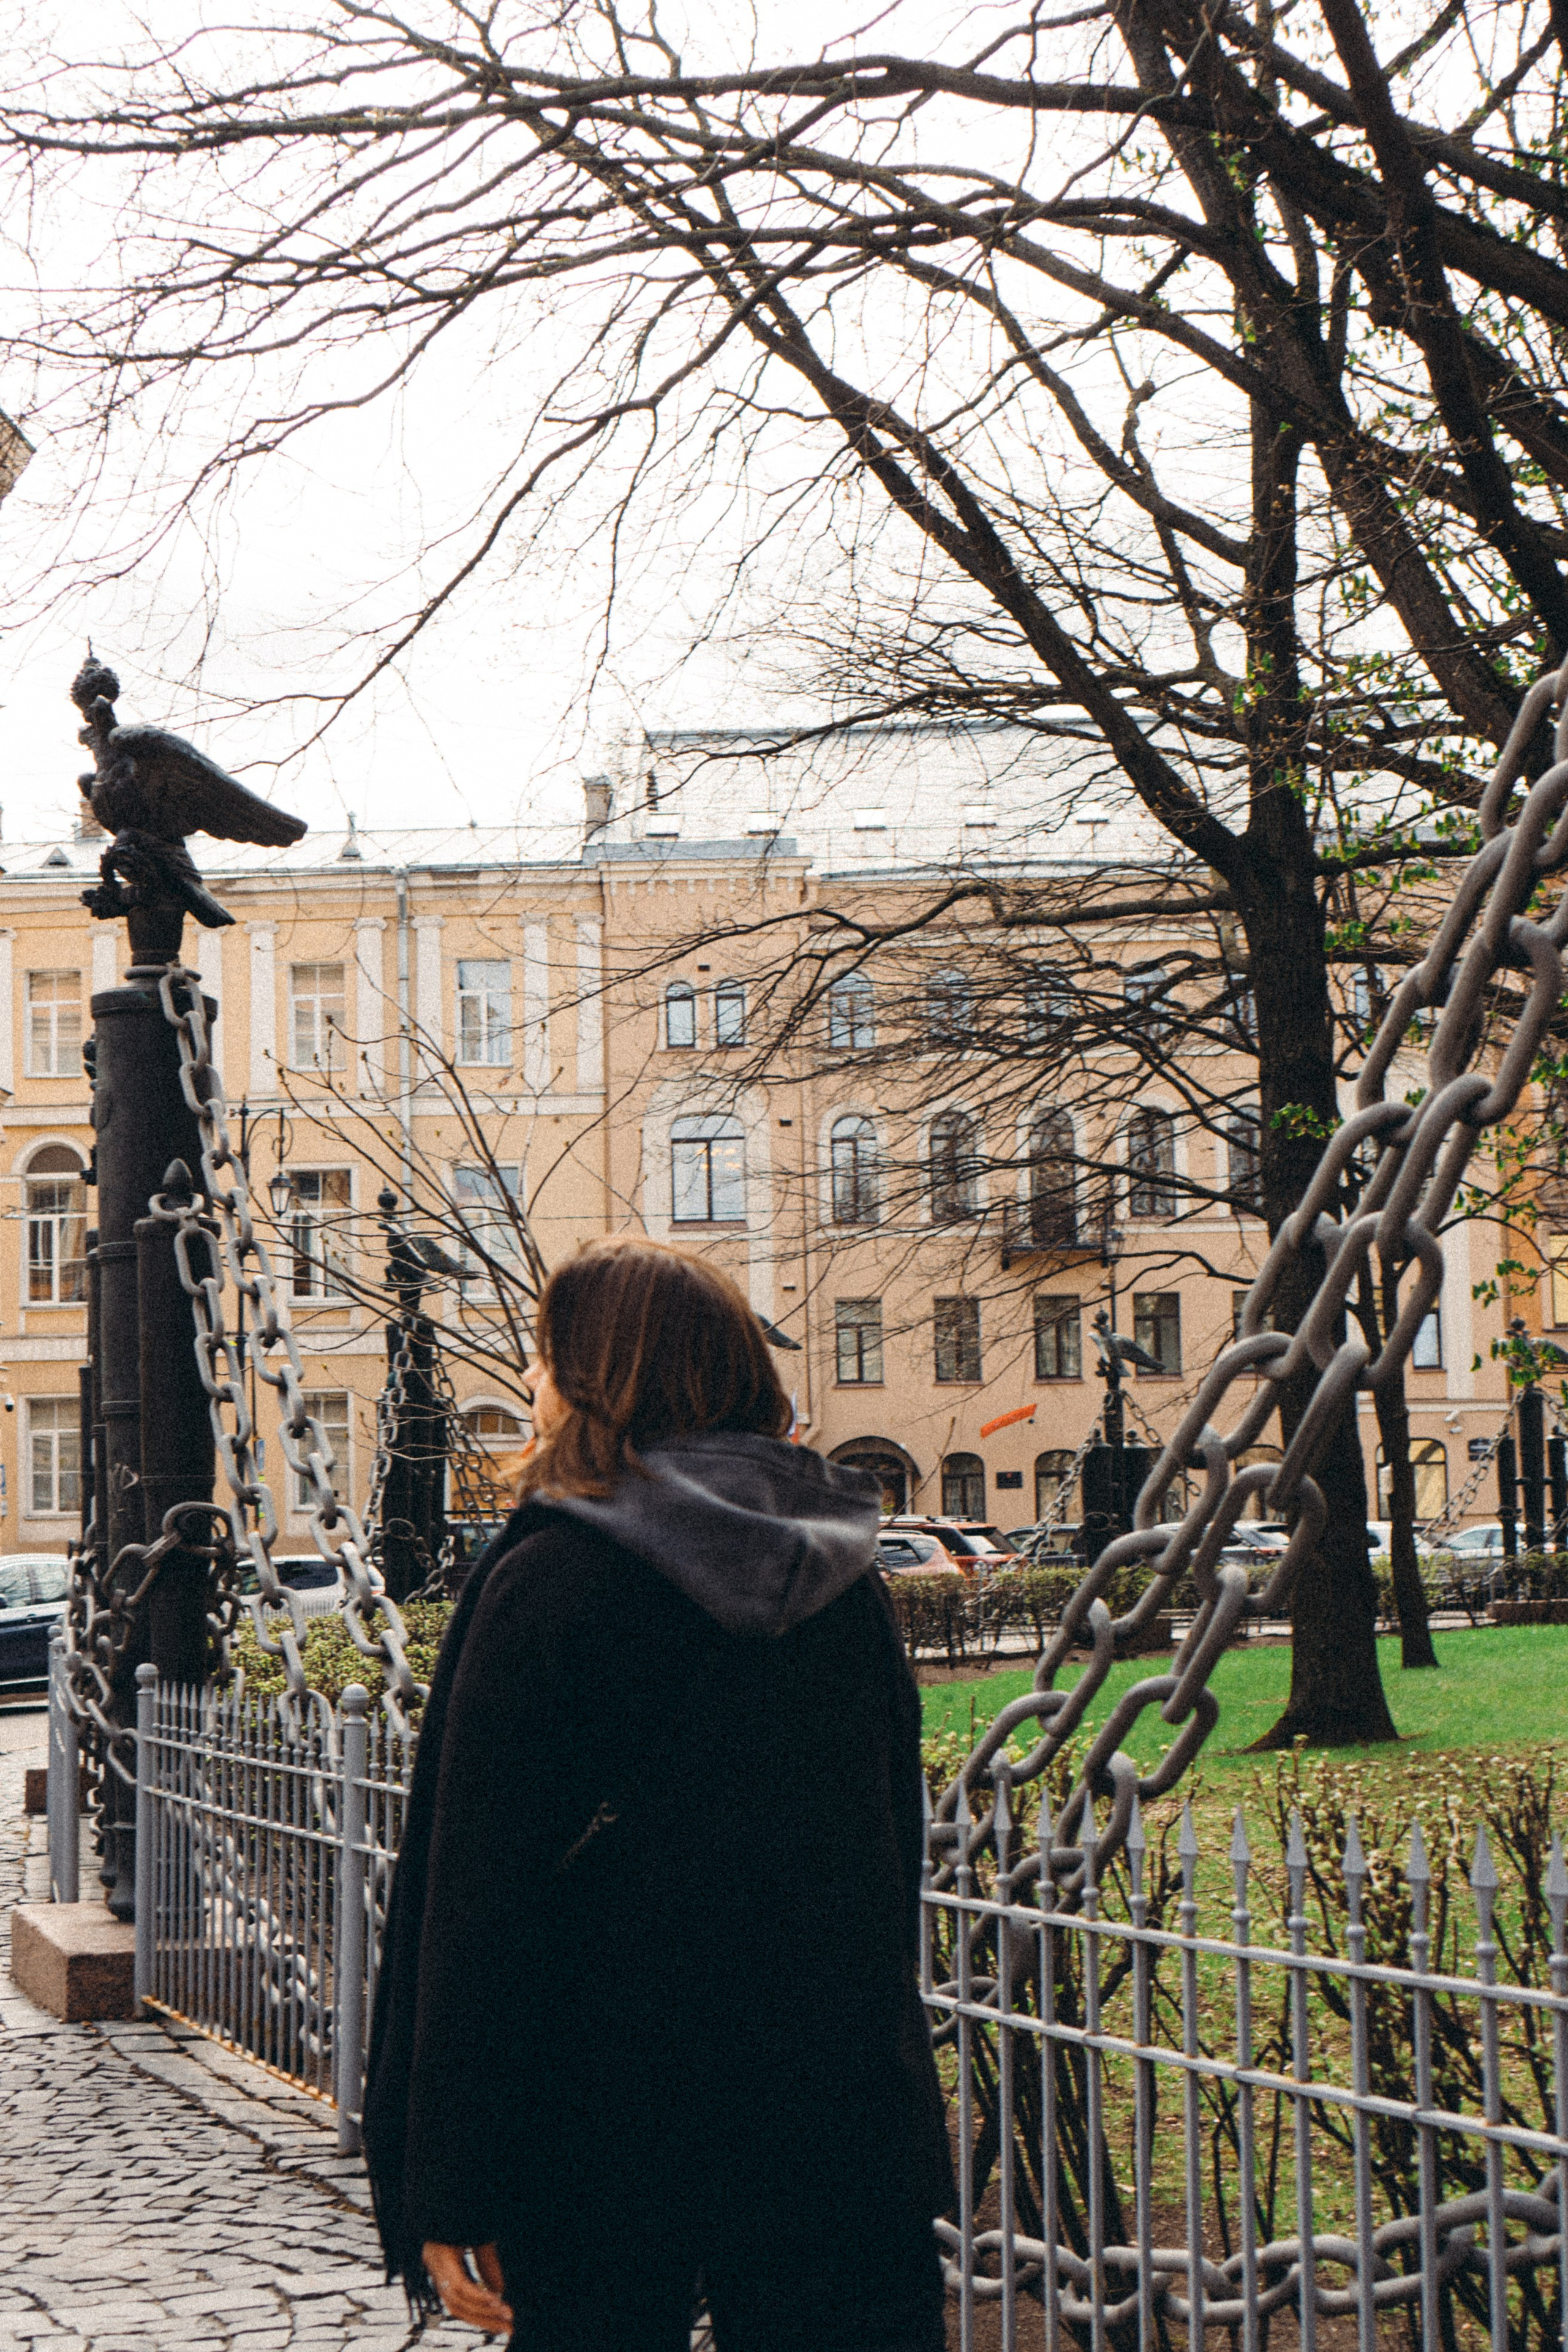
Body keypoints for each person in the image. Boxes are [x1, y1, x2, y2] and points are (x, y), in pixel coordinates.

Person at [363, 1234, 953, 2351]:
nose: (529, 1384)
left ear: (602, 1377)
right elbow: (888, 1855)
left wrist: (452, 2178)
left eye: (544, 1358)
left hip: (598, 2120)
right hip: (827, 2109)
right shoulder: (839, 1578)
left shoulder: (551, 1581)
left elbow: (479, 1901)